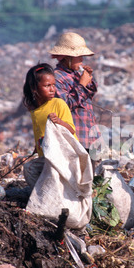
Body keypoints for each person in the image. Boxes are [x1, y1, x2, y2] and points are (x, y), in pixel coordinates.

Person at [22, 63, 77, 189]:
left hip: (65, 156)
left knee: (29, 168)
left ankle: (42, 196)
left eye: (53, 85)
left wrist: (59, 121)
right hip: (47, 157)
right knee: (31, 169)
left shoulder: (58, 104)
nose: (52, 89)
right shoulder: (35, 111)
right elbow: (41, 133)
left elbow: (71, 130)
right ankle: (42, 195)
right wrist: (38, 146)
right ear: (34, 88)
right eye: (47, 86)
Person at [49, 32, 99, 167]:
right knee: (77, 179)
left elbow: (88, 95)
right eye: (79, 57)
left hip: (89, 136)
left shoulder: (76, 75)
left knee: (89, 180)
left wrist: (88, 79)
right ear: (67, 58)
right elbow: (66, 104)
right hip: (75, 138)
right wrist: (82, 84)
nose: (82, 60)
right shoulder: (57, 78)